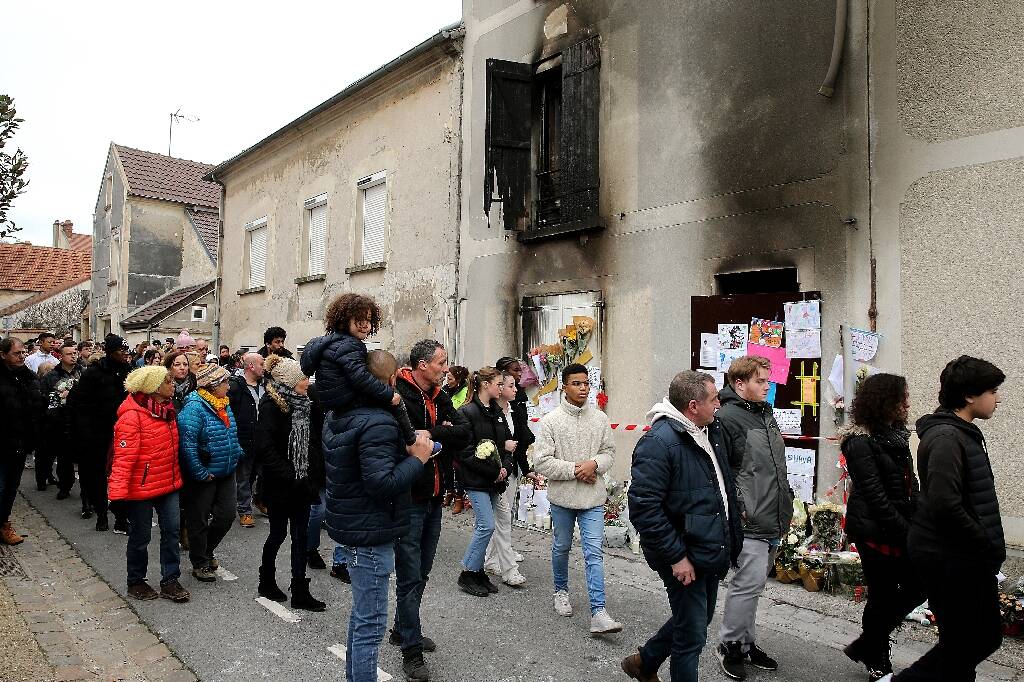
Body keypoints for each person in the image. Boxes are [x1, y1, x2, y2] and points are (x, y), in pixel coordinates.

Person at [886, 356, 1006, 682]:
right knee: (972, 639)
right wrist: (983, 541)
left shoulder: (962, 433)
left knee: (969, 642)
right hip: (952, 557)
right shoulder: (946, 439)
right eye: (992, 390)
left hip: (963, 555)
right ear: (969, 395)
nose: (998, 398)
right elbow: (945, 504)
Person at [624, 371, 743, 682]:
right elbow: (644, 507)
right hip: (683, 553)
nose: (720, 403)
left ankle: (644, 662)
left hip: (707, 547)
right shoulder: (659, 442)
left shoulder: (708, 429)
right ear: (693, 405)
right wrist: (677, 557)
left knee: (697, 619)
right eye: (715, 398)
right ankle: (648, 664)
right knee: (691, 637)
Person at [323, 349, 433, 682]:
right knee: (370, 625)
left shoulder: (341, 412)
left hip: (353, 523)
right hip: (371, 530)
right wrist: (418, 459)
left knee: (362, 619)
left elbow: (361, 462)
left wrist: (403, 448)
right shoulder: (379, 421)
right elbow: (380, 482)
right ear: (390, 381)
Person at [389, 340, 470, 678]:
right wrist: (435, 436)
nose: (445, 368)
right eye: (440, 363)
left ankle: (401, 628)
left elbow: (465, 432)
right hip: (409, 498)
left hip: (435, 496)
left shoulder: (441, 394)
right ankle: (411, 650)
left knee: (422, 571)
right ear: (421, 365)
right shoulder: (399, 395)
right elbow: (404, 442)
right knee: (409, 576)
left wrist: (432, 435)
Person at [840, 374, 924, 681]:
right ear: (885, 401)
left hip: (900, 526)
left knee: (918, 585)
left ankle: (867, 642)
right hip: (874, 531)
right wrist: (907, 532)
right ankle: (878, 658)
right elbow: (876, 497)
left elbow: (907, 485)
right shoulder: (860, 442)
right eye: (902, 398)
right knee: (882, 594)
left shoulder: (896, 434)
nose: (907, 404)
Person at [715, 355, 791, 680]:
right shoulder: (727, 418)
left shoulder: (765, 413)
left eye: (767, 380)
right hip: (749, 518)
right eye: (760, 381)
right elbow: (721, 471)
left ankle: (746, 643)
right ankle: (729, 645)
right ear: (740, 383)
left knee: (756, 585)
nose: (766, 386)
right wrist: (739, 506)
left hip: (772, 512)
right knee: (747, 584)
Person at [533, 363, 622, 634]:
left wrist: (594, 463)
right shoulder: (550, 421)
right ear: (564, 386)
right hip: (562, 499)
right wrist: (576, 469)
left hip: (593, 499)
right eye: (576, 383)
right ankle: (560, 590)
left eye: (586, 383)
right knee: (561, 546)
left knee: (593, 552)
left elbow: (609, 452)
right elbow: (542, 462)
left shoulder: (600, 419)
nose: (583, 388)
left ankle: (599, 611)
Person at [108, 366, 190, 603]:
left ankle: (170, 580)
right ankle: (136, 581)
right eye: (167, 381)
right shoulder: (131, 417)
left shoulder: (167, 410)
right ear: (153, 388)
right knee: (141, 536)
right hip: (140, 489)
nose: (172, 383)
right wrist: (117, 496)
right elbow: (123, 459)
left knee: (172, 531)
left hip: (168, 482)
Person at [254, 355, 326, 612]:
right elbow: (265, 448)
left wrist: (311, 474)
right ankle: (267, 581)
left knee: (300, 535)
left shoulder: (306, 403)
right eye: (303, 378)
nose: (307, 382)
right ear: (290, 381)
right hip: (279, 484)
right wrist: (290, 474)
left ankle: (299, 589)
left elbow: (313, 442)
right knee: (277, 534)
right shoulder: (271, 405)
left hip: (303, 483)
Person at [299, 293, 415, 445]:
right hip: (348, 401)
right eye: (360, 320)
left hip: (334, 403)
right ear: (344, 320)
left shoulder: (330, 342)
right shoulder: (350, 345)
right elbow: (360, 377)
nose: (365, 325)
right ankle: (411, 440)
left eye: (368, 320)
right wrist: (388, 395)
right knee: (396, 399)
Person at [177, 363, 242, 582]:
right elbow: (187, 445)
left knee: (226, 515)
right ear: (213, 385)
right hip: (205, 474)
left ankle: (206, 550)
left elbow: (231, 431)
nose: (229, 386)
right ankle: (200, 562)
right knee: (199, 518)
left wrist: (237, 452)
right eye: (224, 382)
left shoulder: (223, 403)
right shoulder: (194, 408)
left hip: (226, 469)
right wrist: (199, 472)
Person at [454, 366, 515, 599]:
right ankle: (468, 572)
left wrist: (505, 468)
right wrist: (493, 470)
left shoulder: (496, 412)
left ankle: (477, 571)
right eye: (499, 384)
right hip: (476, 480)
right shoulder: (467, 412)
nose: (502, 388)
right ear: (485, 384)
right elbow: (465, 452)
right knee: (486, 525)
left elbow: (507, 445)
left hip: (494, 480)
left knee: (490, 526)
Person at [67, 333, 133, 532]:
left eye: (126, 350)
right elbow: (78, 403)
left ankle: (121, 517)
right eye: (121, 351)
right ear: (111, 352)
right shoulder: (94, 373)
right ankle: (101, 513)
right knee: (95, 476)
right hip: (97, 433)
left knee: (122, 476)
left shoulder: (130, 372)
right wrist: (83, 432)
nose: (125, 354)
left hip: (123, 433)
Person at [483, 367, 532, 587]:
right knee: (501, 519)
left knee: (503, 517)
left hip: (510, 469)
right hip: (494, 473)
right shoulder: (489, 411)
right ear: (499, 388)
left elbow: (519, 443)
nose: (515, 390)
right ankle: (508, 568)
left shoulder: (514, 411)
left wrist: (525, 466)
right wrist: (503, 447)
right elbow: (483, 442)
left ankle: (491, 559)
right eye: (510, 385)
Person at [0, 337, 44, 545]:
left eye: (23, 353)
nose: (22, 357)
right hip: (2, 442)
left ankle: (3, 524)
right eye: (16, 354)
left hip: (21, 443)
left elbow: (36, 408)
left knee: (11, 487)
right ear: (3, 354)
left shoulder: (28, 377)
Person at [38, 342, 82, 495]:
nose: (73, 356)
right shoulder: (52, 376)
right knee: (64, 457)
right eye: (69, 354)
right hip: (59, 421)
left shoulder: (83, 373)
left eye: (75, 353)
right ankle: (64, 486)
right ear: (61, 356)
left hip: (79, 421)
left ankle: (87, 494)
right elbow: (43, 398)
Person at [228, 352, 266, 528]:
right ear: (251, 366)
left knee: (264, 474)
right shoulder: (235, 387)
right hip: (244, 438)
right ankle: (244, 511)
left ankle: (259, 500)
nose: (264, 367)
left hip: (262, 439)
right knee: (243, 476)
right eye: (261, 364)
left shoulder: (264, 385)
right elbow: (230, 415)